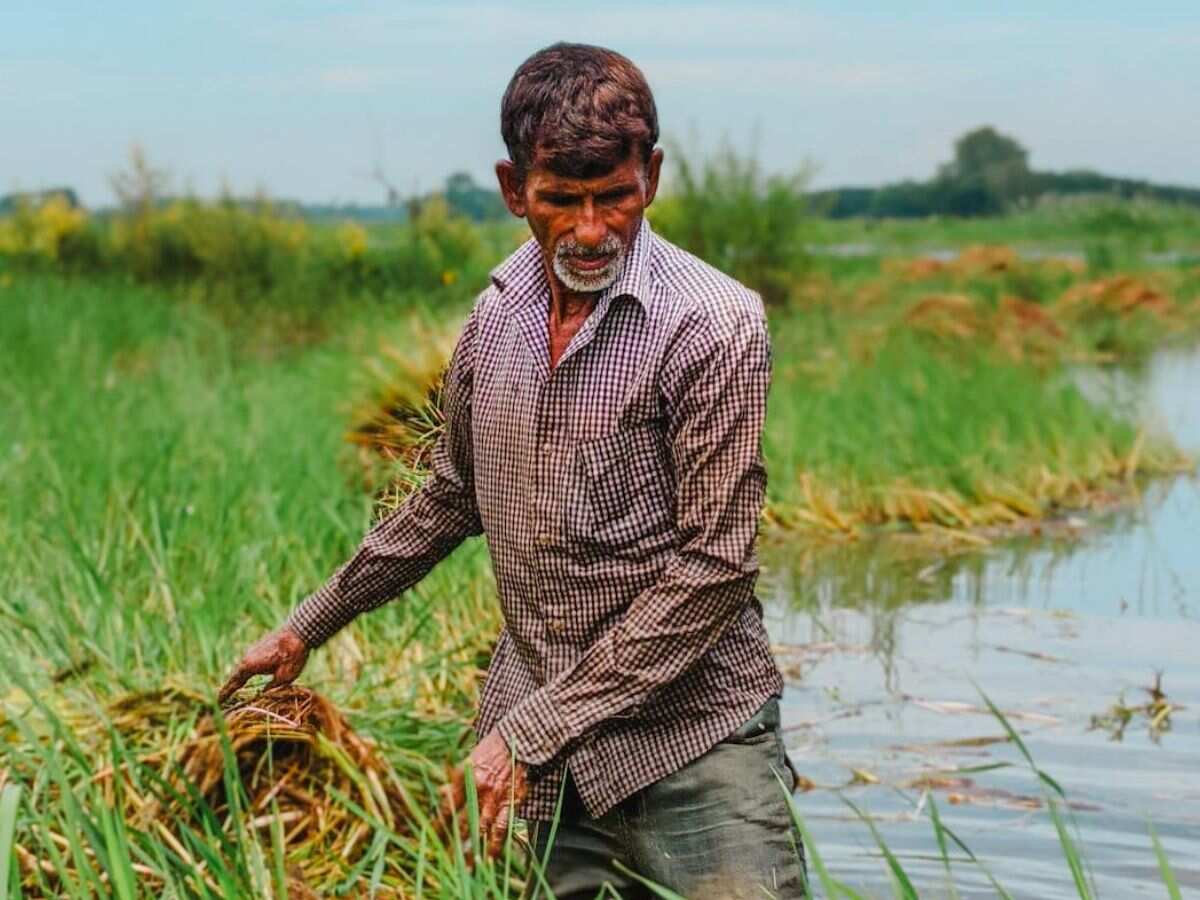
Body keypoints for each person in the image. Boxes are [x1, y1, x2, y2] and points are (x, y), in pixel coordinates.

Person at [220, 41, 806, 899]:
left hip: (693, 741)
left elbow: (713, 570)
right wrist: (309, 623)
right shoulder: (496, 315)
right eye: (561, 201)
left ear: (654, 176)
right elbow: (452, 495)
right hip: (545, 751)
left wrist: (529, 735)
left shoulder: (714, 325)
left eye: (616, 196)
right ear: (512, 190)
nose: (592, 229)